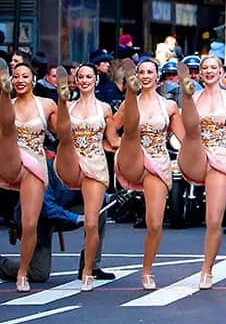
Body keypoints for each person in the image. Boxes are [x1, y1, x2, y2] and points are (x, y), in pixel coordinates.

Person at [106, 57, 183, 291]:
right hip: (133, 157)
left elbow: (183, 137)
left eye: (151, 72)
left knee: (155, 223)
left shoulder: (168, 106)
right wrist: (116, 142)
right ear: (137, 77)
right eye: (142, 72)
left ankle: (147, 270)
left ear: (157, 77)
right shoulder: (129, 104)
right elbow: (112, 126)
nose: (147, 76)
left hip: (158, 162)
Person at [51, 63, 115, 289]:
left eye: (89, 76)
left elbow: (113, 140)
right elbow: (59, 133)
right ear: (75, 81)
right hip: (71, 163)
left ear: (96, 80)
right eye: (81, 77)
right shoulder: (67, 106)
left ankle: (88, 270)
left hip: (96, 166)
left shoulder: (105, 108)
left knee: (91, 222)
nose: (85, 80)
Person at [192, 53, 226, 289]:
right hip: (195, 156)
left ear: (220, 70)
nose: (208, 71)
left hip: (220, 157)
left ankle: (207, 269)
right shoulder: (191, 97)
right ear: (200, 72)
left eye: (213, 67)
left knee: (213, 219)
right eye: (205, 68)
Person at [0, 60, 54, 291]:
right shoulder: (6, 104)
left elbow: (64, 132)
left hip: (34, 166)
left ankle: (22, 271)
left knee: (29, 224)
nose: (20, 80)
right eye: (15, 76)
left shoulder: (47, 104)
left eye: (25, 76)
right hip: (8, 161)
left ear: (33, 79)